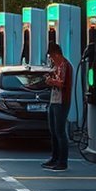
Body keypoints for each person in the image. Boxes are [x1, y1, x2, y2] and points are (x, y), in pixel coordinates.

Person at [41, 42, 73, 172]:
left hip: (61, 102)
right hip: (54, 100)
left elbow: (62, 83)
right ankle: (54, 158)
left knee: (60, 131)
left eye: (52, 57)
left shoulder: (65, 65)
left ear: (56, 55)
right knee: (53, 131)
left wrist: (51, 81)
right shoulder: (56, 66)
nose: (51, 59)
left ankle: (62, 161)